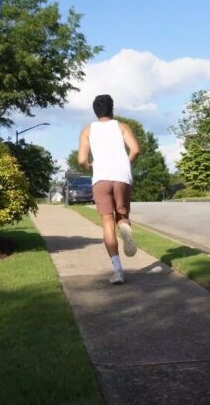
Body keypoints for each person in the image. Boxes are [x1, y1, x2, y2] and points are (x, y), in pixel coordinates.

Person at [78, 94, 139, 284]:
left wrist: (89, 167)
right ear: (112, 109)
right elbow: (135, 150)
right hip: (122, 177)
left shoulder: (87, 130)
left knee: (107, 224)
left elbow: (81, 160)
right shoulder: (122, 126)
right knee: (122, 216)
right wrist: (125, 164)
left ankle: (118, 271)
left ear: (95, 112)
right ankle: (125, 227)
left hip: (101, 178)